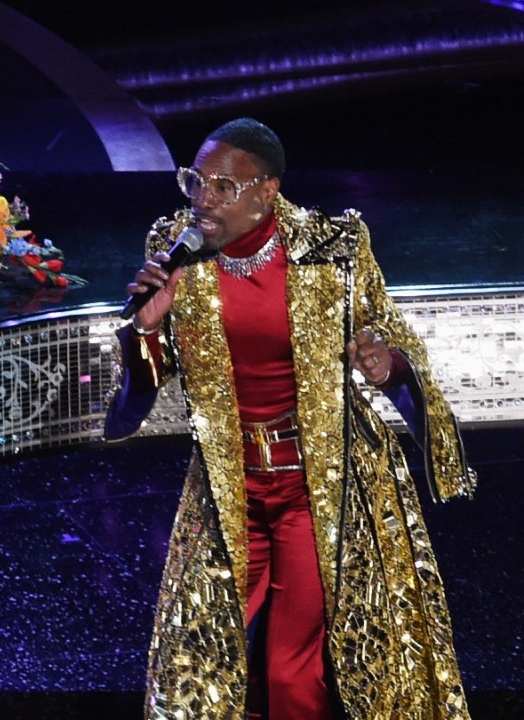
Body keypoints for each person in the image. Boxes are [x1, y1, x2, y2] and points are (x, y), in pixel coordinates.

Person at [104, 117, 476, 719]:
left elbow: (392, 335)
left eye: (223, 186)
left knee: (289, 667)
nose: (203, 198)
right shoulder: (176, 249)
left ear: (267, 190)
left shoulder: (332, 249)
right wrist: (146, 331)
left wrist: (387, 363)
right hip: (228, 489)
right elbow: (138, 396)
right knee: (195, 660)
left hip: (316, 485)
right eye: (196, 180)